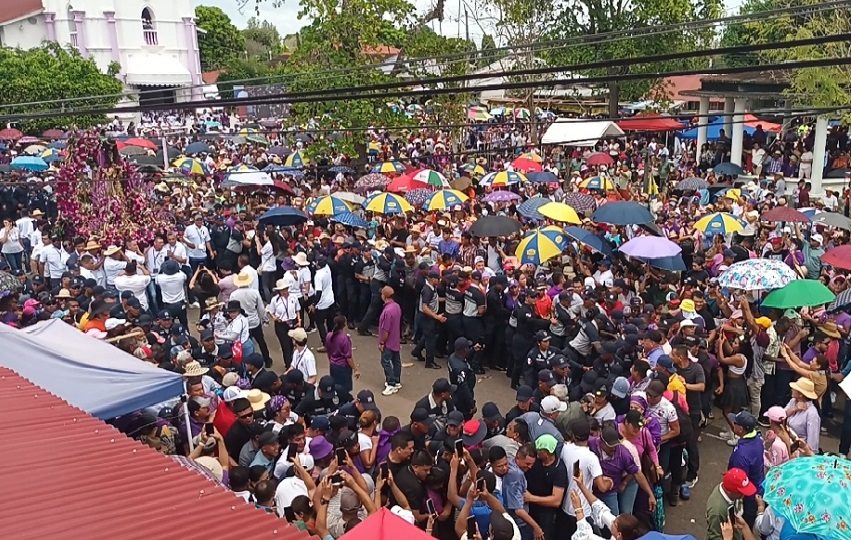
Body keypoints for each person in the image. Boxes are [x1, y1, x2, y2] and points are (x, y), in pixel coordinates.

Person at [705, 468, 759, 540]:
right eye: (741, 492)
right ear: (730, 491)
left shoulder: (728, 490)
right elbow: (715, 536)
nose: (743, 495)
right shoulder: (717, 511)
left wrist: (743, 527)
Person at [267, 279, 300, 368]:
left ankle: (294, 362)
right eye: (282, 290)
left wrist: (299, 320)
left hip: (292, 323)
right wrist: (275, 318)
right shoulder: (275, 300)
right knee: (285, 346)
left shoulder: (294, 297)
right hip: (281, 324)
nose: (284, 291)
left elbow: (297, 309)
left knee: (293, 344)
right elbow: (271, 311)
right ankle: (288, 365)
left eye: (286, 289)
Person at [378, 285, 403, 396]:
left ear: (384, 296)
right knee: (396, 360)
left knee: (386, 361)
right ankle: (397, 381)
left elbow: (385, 330)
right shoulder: (396, 306)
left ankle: (391, 383)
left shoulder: (387, 311)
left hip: (388, 341)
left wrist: (382, 342)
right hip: (396, 339)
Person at [326, 314, 358, 393]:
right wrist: (355, 369)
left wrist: (331, 360)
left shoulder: (329, 335)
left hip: (333, 365)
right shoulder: (345, 339)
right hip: (343, 368)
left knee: (335, 387)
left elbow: (328, 351)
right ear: (344, 325)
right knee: (344, 390)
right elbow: (348, 357)